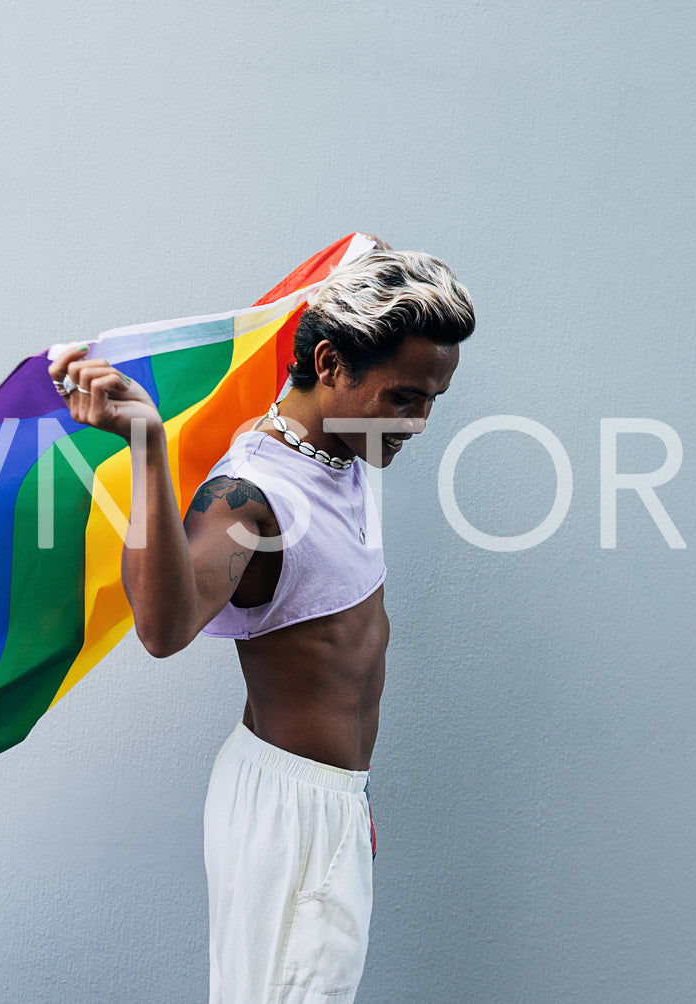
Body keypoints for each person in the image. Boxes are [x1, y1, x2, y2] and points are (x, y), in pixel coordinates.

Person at [47, 249, 473, 1003]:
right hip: (291, 815)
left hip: (327, 803)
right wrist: (147, 446)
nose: (421, 421)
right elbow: (161, 627)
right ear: (329, 364)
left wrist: (347, 805)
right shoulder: (252, 498)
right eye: (404, 398)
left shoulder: (342, 453)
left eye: (433, 398)